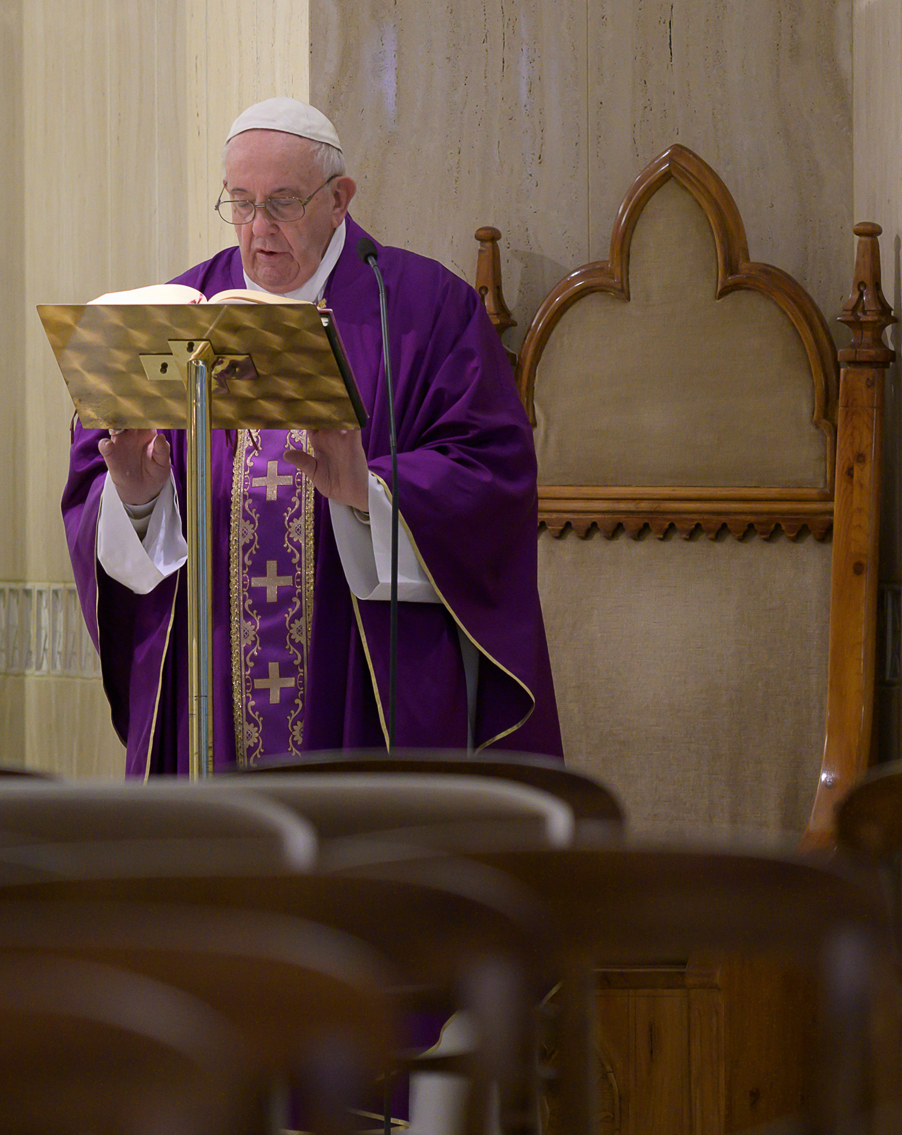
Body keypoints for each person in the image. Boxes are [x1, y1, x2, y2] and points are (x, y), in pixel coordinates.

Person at [63, 97, 560, 774]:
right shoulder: (175, 317)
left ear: (338, 199)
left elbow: (492, 477)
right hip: (211, 683)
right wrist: (136, 496)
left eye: (282, 203)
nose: (258, 227)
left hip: (357, 682)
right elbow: (97, 492)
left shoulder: (424, 309)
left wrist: (370, 493)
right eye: (241, 203)